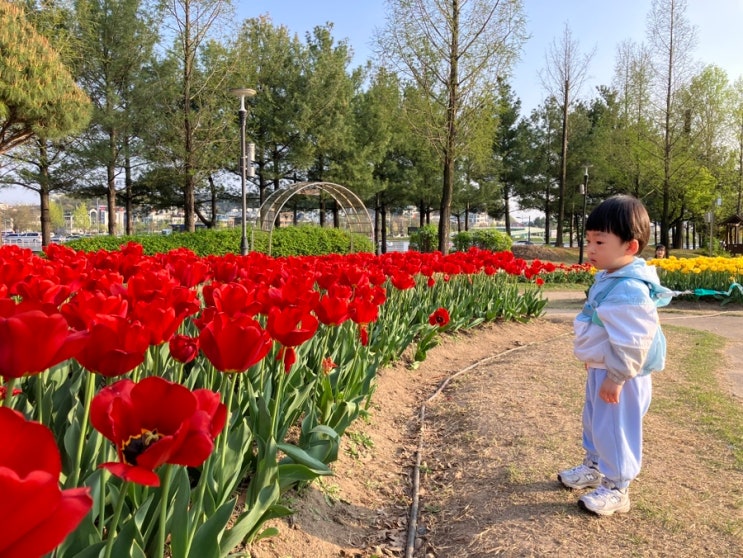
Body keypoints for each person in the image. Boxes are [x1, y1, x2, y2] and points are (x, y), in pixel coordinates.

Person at [557, 195, 671, 516]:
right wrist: (593, 359)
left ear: (630, 247)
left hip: (622, 375)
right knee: (595, 422)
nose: (590, 249)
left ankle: (618, 487)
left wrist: (616, 376)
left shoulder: (629, 289)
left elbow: (634, 340)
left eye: (600, 241)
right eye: (588, 240)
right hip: (603, 369)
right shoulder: (608, 276)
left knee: (616, 428)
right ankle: (594, 466)